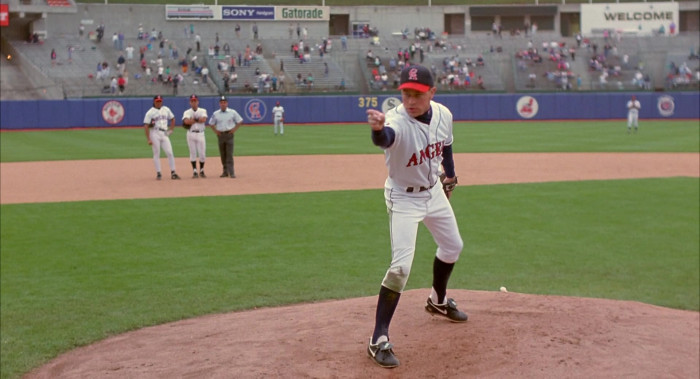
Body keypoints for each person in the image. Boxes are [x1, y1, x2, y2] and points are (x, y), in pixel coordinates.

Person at [365, 64, 466, 369]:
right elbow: (386, 139)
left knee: (453, 247)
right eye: (406, 93)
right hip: (403, 197)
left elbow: (446, 146)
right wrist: (378, 130)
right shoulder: (397, 121)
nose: (410, 100)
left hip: (433, 190)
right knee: (400, 268)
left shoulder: (444, 114)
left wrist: (450, 175)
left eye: (417, 94)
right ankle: (378, 339)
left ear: (431, 93)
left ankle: (437, 300)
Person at [143, 95, 180, 180]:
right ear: (154, 102)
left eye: (160, 101)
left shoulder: (166, 109)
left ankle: (173, 172)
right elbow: (146, 125)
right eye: (157, 101)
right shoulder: (150, 112)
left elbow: (173, 118)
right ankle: (159, 173)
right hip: (154, 133)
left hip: (164, 133)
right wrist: (148, 139)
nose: (159, 103)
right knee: (156, 153)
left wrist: (171, 129)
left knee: (170, 152)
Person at [209, 96, 243, 178]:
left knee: (229, 154)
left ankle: (231, 172)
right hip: (221, 135)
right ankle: (225, 171)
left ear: (227, 103)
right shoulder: (216, 113)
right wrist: (216, 131)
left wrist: (234, 130)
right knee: (223, 154)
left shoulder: (232, 112)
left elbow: (240, 121)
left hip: (229, 134)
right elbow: (211, 123)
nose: (223, 104)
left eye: (224, 102)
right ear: (219, 104)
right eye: (221, 102)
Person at [182, 94, 208, 178]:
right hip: (191, 133)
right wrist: (197, 120)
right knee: (192, 153)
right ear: (190, 102)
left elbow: (203, 119)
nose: (194, 102)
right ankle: (194, 171)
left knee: (202, 154)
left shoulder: (203, 110)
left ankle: (202, 170)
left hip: (200, 133)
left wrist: (193, 120)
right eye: (192, 101)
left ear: (198, 102)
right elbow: (186, 122)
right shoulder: (187, 112)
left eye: (195, 101)